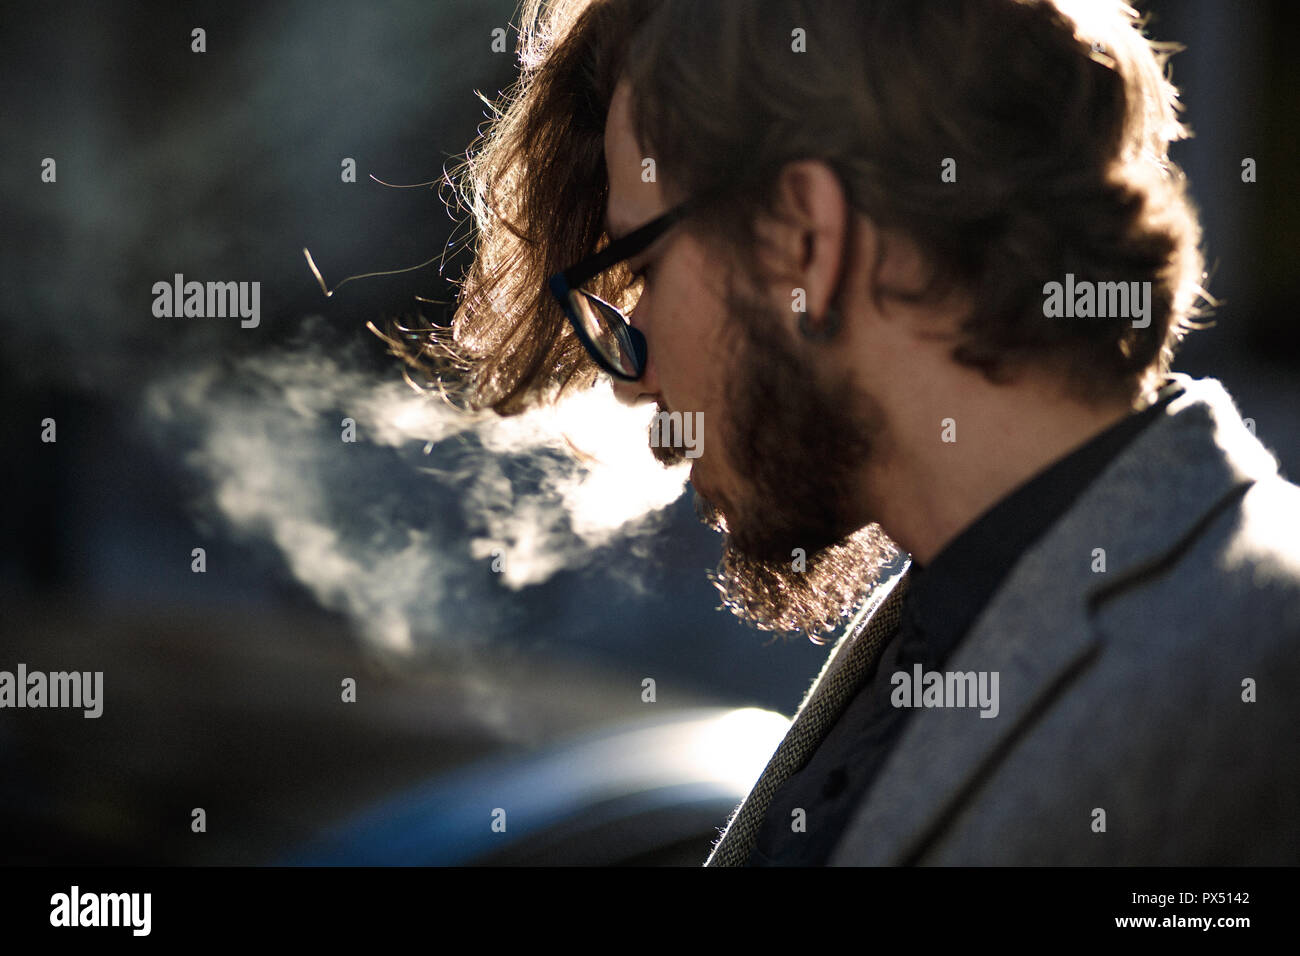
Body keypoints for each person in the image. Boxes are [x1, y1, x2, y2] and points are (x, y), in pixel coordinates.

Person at [387, 0, 1300, 864]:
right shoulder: (952, 612)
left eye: (645, 271)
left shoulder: (1262, 661)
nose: (634, 384)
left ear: (809, 246)